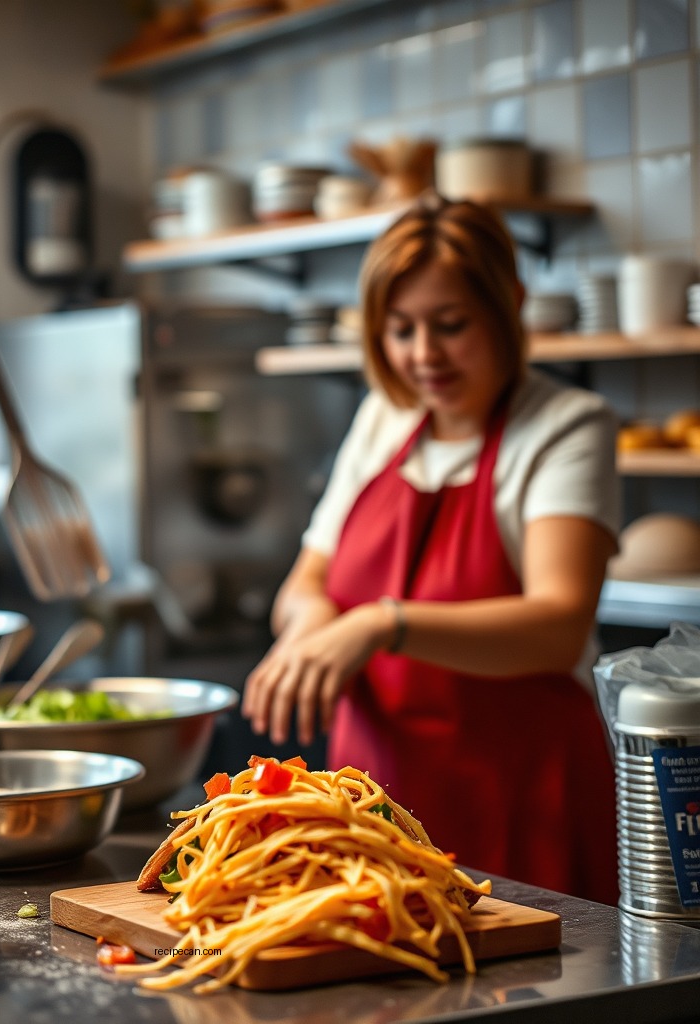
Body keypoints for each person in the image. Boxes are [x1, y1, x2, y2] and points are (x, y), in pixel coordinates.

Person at [242, 193, 620, 905]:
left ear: (508, 304)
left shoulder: (569, 425)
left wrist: (379, 624)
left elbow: (558, 621)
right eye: (401, 329)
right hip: (373, 807)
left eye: (451, 326)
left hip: (520, 798)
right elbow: (303, 586)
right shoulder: (385, 417)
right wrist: (311, 629)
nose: (424, 355)